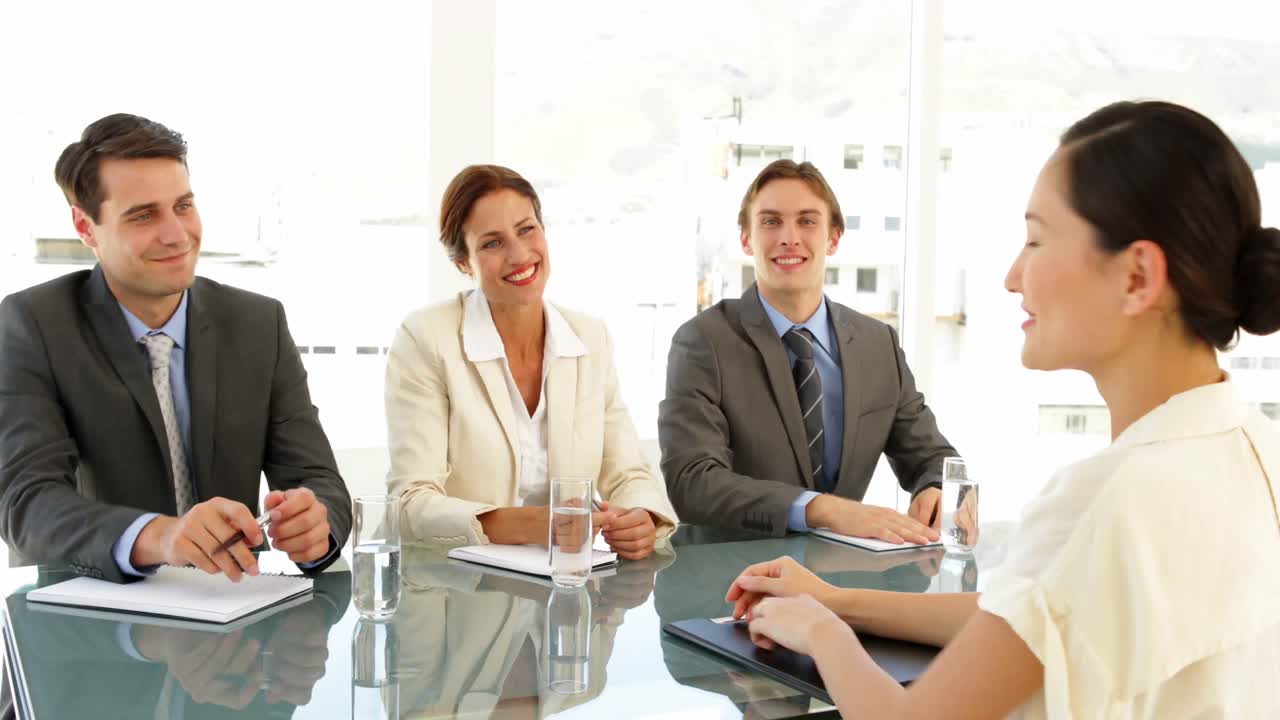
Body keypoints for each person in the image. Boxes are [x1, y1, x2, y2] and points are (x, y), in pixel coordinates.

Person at [725, 101, 1280, 718]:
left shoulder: (1104, 503)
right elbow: (1027, 619)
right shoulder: (1252, 446)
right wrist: (836, 600)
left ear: (1137, 276)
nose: (1014, 277)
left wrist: (823, 635)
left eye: (1037, 240)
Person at [0, 114, 351, 585]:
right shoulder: (33, 325)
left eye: (183, 206)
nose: (176, 234)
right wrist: (161, 537)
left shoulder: (258, 324)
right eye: (144, 215)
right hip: (91, 626)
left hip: (234, 620)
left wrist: (315, 525)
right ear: (86, 226)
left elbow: (319, 479)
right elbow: (26, 503)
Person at [385, 164, 677, 559]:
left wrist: (641, 516)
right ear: (463, 263)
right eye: (492, 243)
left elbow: (628, 472)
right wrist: (533, 524)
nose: (520, 254)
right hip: (462, 596)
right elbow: (410, 504)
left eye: (527, 230)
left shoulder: (590, 337)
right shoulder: (427, 338)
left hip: (570, 591)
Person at [660, 159, 956, 543]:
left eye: (807, 221)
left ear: (833, 238)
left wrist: (937, 488)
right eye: (770, 221)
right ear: (747, 239)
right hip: (734, 582)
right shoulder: (703, 342)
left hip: (840, 586)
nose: (789, 237)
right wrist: (821, 510)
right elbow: (693, 483)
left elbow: (935, 458)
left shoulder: (877, 344)